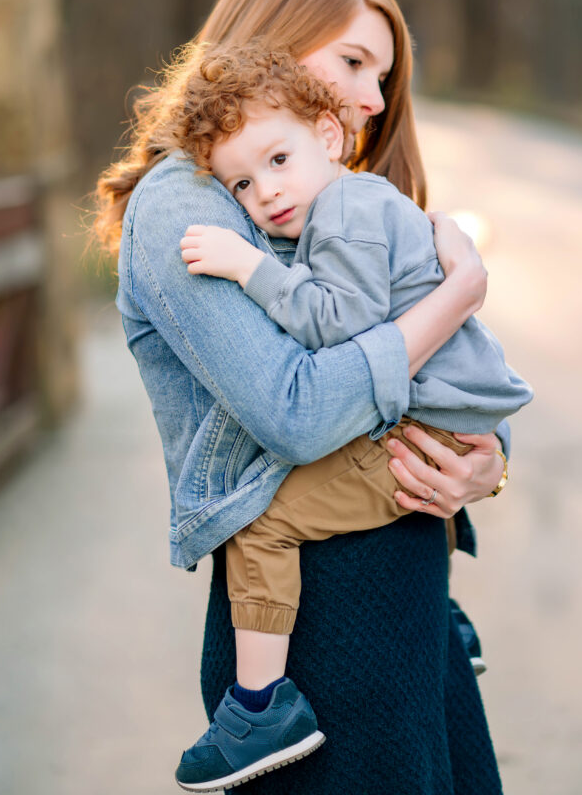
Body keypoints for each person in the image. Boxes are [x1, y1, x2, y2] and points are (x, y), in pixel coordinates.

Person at [95, 0, 510, 794]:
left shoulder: (325, 195)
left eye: (382, 79)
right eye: (353, 62)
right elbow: (295, 414)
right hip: (315, 614)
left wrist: (487, 462)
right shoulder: (190, 199)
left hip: (402, 584)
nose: (371, 100)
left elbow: (439, 369)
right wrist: (455, 295)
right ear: (271, 43)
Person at [171, 43, 531, 790]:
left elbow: (343, 325)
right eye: (240, 181)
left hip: (421, 427)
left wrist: (248, 265)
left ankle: (259, 706)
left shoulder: (346, 209)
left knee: (260, 519)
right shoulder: (348, 203)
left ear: (327, 139)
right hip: (429, 417)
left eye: (276, 161)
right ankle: (439, 622)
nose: (263, 192)